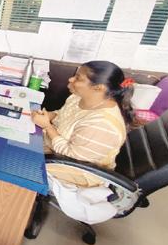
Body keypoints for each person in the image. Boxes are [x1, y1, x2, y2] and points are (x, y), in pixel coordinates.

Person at [32, 61, 132, 224]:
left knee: (14, 159)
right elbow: (63, 115)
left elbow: (72, 155)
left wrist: (47, 127)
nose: (71, 80)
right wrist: (49, 116)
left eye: (78, 78)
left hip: (76, 168)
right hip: (54, 147)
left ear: (98, 88)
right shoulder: (78, 98)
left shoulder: (102, 124)